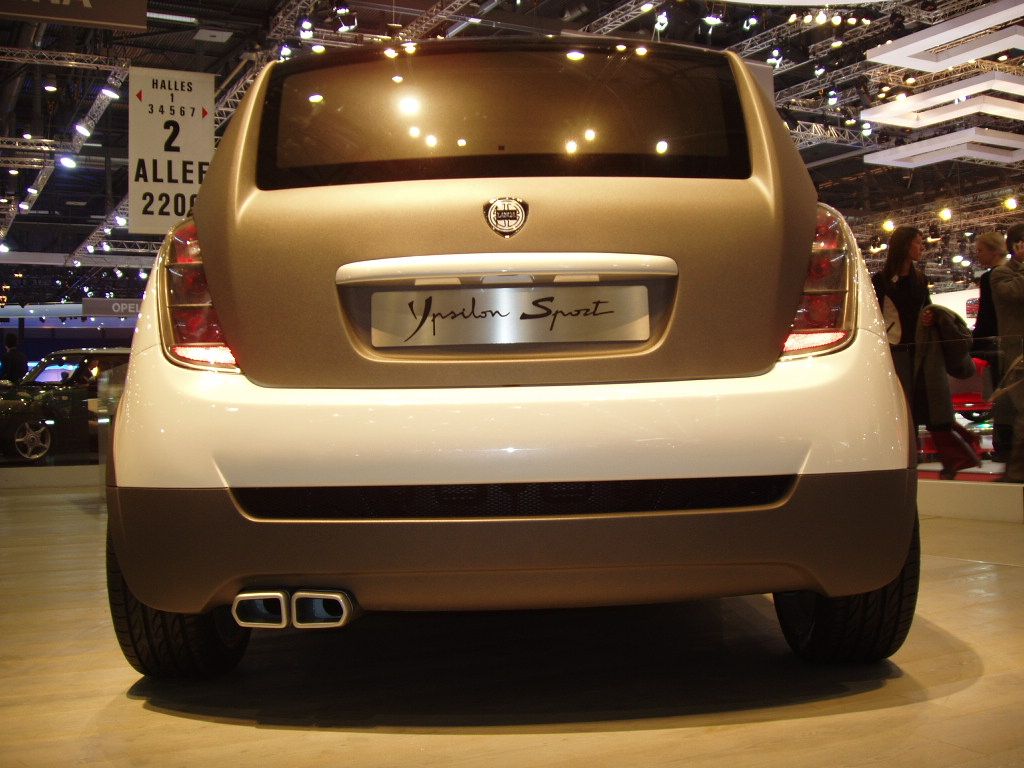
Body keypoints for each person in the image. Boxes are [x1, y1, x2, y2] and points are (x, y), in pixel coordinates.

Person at [872, 225, 980, 479]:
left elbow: (926, 306)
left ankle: (954, 457)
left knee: (929, 403)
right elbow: (876, 314)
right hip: (895, 351)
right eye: (918, 243)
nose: (922, 247)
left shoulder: (920, 278)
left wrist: (930, 316)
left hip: (921, 350)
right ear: (906, 245)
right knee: (907, 407)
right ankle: (953, 454)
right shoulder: (881, 279)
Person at [991, 222, 1024, 481]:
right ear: (1016, 246)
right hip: (1017, 355)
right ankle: (1015, 471)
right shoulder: (1001, 274)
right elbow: (1014, 294)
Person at [972, 231, 1010, 460]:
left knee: (1001, 394)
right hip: (1008, 342)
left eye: (981, 250)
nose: (978, 255)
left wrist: (974, 344)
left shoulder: (991, 278)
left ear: (994, 250)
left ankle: (1004, 448)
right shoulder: (1010, 273)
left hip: (996, 345)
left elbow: (986, 315)